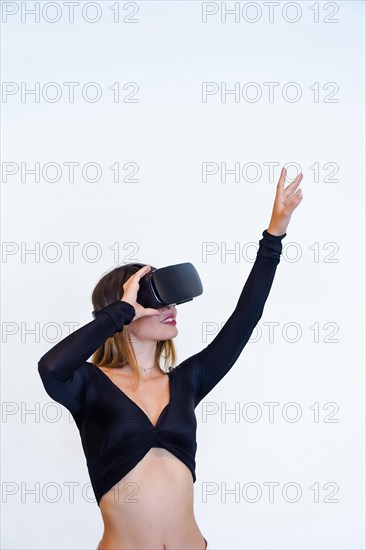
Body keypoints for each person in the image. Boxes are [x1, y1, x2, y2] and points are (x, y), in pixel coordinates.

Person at [37, 166, 303, 550]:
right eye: (153, 298)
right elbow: (49, 368)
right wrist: (120, 313)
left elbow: (245, 319)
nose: (170, 307)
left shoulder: (187, 381)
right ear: (124, 312)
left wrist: (274, 235)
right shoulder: (88, 385)